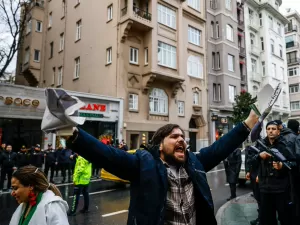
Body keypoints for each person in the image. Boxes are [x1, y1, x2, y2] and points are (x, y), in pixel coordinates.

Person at [59, 110, 258, 224]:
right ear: (160, 145)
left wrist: (249, 122)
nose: (181, 140)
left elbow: (220, 148)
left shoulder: (195, 163)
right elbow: (109, 156)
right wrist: (73, 135)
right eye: (174, 136)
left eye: (183, 137)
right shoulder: (143, 164)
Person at [254, 121, 296, 225]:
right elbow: (251, 161)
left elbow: (294, 163)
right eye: (268, 129)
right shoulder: (260, 145)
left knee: (285, 219)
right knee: (266, 220)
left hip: (281, 189)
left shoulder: (285, 145)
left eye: (273, 129)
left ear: (278, 132)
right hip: (265, 189)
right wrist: (259, 156)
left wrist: (282, 166)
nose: (270, 131)